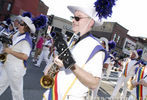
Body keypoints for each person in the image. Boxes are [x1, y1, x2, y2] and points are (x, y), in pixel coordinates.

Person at [42, 0, 116, 100]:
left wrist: (70, 64)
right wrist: (53, 65)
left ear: (91, 22)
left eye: (77, 18)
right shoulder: (73, 40)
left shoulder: (95, 47)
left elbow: (94, 83)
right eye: (73, 17)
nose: (73, 20)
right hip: (55, 92)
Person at [0, 16, 35, 100]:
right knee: (0, 85)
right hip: (8, 64)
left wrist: (10, 51)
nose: (18, 24)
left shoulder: (26, 40)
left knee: (17, 93)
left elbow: (25, 56)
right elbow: (11, 45)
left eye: (21, 24)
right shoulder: (17, 33)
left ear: (25, 27)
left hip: (16, 69)